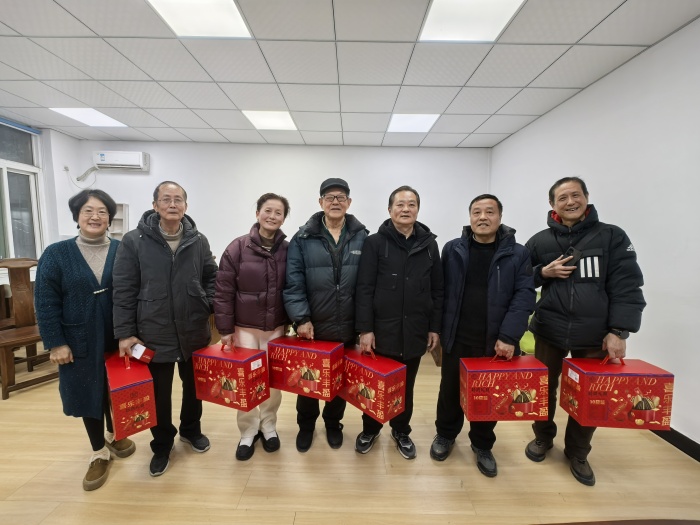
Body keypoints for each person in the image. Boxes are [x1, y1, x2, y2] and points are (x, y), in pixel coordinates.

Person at [524, 177, 645, 486]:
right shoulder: (539, 242)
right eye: (562, 198)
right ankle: (543, 437)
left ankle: (578, 451)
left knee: (590, 396)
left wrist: (619, 331)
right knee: (542, 390)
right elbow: (520, 280)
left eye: (575, 195)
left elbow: (627, 285)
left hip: (595, 333)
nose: (570, 202)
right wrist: (542, 272)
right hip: (549, 329)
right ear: (552, 204)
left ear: (586, 197)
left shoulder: (611, 236)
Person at [112, 181, 217, 477]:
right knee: (158, 393)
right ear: (155, 205)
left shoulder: (198, 240)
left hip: (193, 328)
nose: (173, 204)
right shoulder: (134, 241)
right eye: (166, 199)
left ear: (186, 206)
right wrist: (125, 332)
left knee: (194, 387)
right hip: (152, 330)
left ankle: (191, 430)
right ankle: (161, 444)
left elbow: (211, 276)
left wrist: (206, 302)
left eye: (178, 199)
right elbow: (123, 288)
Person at [35, 189, 135, 491]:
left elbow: (134, 292)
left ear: (110, 218)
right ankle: (98, 451)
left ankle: (114, 434)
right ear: (77, 216)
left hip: (117, 335)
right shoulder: (56, 254)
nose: (95, 217)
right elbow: (46, 301)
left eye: (102, 211)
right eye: (88, 211)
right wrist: (56, 342)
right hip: (77, 338)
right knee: (88, 391)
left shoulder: (123, 250)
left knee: (116, 388)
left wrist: (131, 332)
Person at [430, 194, 535, 476]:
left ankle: (482, 444)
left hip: (494, 340)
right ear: (470, 217)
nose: (483, 217)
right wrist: (437, 329)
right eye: (477, 212)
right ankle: (445, 435)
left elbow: (524, 297)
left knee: (488, 395)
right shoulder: (453, 249)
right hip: (457, 335)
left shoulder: (518, 253)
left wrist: (509, 337)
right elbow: (440, 292)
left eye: (489, 212)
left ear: (500, 217)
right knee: (449, 391)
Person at [354, 186, 443, 460]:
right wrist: (365, 329)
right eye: (400, 204)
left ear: (418, 209)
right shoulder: (374, 243)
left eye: (412, 204)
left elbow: (437, 290)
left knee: (406, 386)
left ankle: (401, 430)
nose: (406, 209)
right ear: (390, 209)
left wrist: (434, 327)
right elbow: (364, 288)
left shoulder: (429, 245)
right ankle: (370, 429)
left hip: (415, 330)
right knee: (375, 384)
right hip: (382, 332)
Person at [283, 178, 368, 452]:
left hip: (348, 325)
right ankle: (306, 426)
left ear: (349, 203)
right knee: (307, 380)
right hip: (313, 327)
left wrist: (364, 325)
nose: (335, 202)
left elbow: (368, 285)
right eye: (329, 197)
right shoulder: (302, 238)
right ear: (320, 202)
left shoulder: (362, 236)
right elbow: (293, 282)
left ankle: (333, 423)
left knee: (339, 381)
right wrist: (301, 318)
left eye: (341, 197)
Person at [214, 193, 290, 461]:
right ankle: (248, 431)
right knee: (246, 381)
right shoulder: (237, 248)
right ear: (257, 213)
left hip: (276, 328)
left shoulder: (288, 249)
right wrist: (225, 329)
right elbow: (223, 291)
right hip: (243, 328)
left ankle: (268, 426)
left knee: (272, 381)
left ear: (283, 218)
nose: (272, 216)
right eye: (267, 210)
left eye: (278, 212)